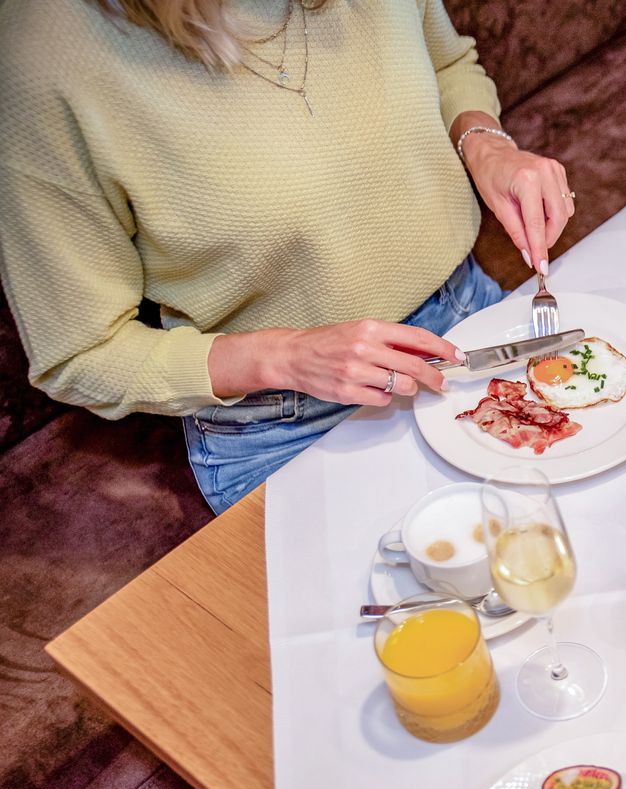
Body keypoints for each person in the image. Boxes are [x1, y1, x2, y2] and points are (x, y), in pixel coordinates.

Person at [0, 0, 574, 512]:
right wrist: (288, 357)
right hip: (285, 422)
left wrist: (486, 144)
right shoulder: (44, 56)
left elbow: (448, 64)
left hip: (470, 320)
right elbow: (79, 354)